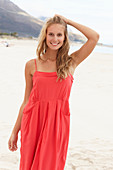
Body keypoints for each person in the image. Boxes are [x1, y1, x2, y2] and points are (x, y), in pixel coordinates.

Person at [8, 14, 99, 170]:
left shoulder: (71, 62)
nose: (55, 39)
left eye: (59, 34)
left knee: (51, 164)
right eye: (51, 34)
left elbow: (94, 37)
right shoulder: (32, 65)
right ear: (45, 36)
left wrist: (68, 21)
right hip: (33, 122)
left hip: (57, 125)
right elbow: (26, 101)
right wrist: (15, 131)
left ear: (64, 38)